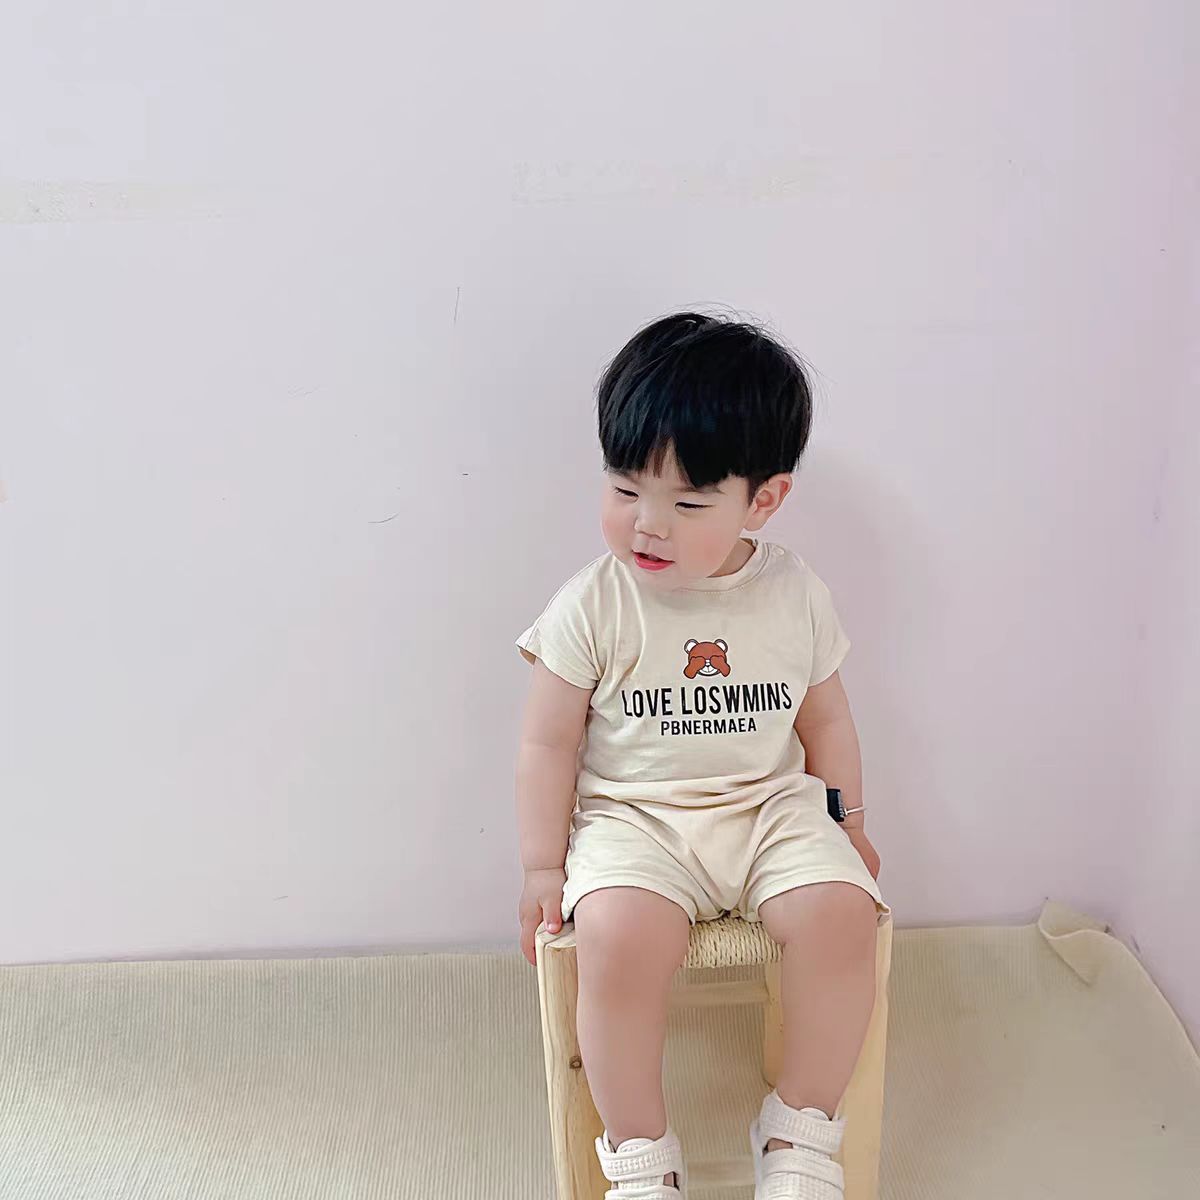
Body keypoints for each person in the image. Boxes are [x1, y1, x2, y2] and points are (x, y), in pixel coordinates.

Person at [515, 311, 889, 1199]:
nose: (646, 526)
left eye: (686, 504)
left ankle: (799, 1132)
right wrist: (542, 865)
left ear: (763, 500)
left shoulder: (792, 592)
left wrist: (848, 825)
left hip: (768, 810)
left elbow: (828, 724)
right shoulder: (595, 604)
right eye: (624, 489)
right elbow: (547, 741)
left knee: (842, 916)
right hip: (637, 822)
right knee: (616, 940)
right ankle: (642, 1154)